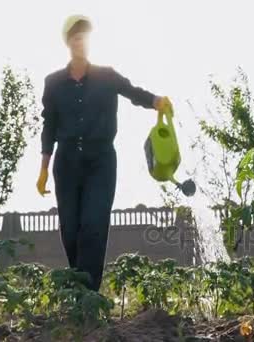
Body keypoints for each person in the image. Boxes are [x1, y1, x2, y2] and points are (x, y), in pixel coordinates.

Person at [35, 15, 172, 291]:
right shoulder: (54, 83)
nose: (80, 41)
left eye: (84, 36)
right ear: (68, 42)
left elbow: (132, 92)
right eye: (75, 37)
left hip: (101, 162)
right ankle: (79, 290)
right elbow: (49, 125)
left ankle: (89, 295)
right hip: (67, 162)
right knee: (71, 230)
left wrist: (156, 101)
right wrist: (43, 170)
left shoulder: (107, 76)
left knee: (94, 226)